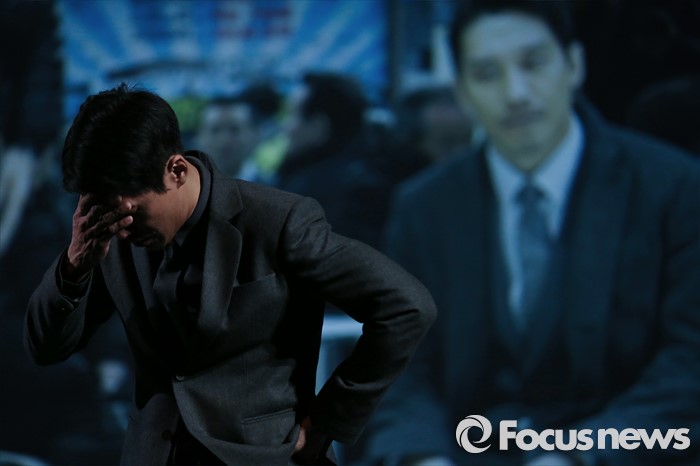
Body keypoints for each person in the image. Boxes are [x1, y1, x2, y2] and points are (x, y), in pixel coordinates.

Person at [358, 1, 700, 466]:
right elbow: (401, 367)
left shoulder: (671, 188)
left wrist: (578, 456)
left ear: (574, 65)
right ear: (462, 92)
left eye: (533, 64)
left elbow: (689, 364)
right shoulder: (425, 207)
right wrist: (421, 456)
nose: (515, 93)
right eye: (487, 74)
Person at [24, 83, 436, 465]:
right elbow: (47, 348)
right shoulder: (110, 229)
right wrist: (74, 266)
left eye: (134, 208)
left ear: (176, 170)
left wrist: (329, 420)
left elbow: (406, 305)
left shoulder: (277, 220)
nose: (123, 225)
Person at [274, 72, 396, 251]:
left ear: (319, 125)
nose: (285, 127)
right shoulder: (373, 170)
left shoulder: (339, 193)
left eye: (293, 115)